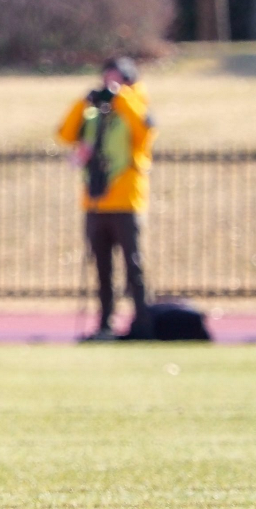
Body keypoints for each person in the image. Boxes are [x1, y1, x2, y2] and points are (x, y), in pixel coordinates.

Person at [57, 57, 156, 340]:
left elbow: (143, 131)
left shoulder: (135, 108)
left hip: (127, 201)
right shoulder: (93, 115)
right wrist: (83, 101)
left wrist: (122, 96)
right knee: (102, 268)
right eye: (106, 81)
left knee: (133, 266)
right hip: (96, 201)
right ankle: (105, 324)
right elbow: (65, 134)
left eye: (117, 81)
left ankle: (143, 324)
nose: (109, 87)